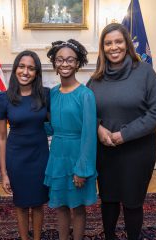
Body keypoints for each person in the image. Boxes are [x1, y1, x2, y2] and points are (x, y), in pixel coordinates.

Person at [87, 23, 156, 240]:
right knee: (109, 199)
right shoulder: (96, 78)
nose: (114, 47)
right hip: (106, 150)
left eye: (118, 41)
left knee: (132, 201)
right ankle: (110, 236)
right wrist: (98, 128)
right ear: (103, 48)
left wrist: (125, 134)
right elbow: (85, 110)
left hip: (138, 150)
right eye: (108, 43)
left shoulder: (144, 72)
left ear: (127, 44)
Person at [45, 39, 97, 240]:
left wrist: (82, 169)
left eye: (69, 60)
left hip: (77, 155)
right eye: (60, 60)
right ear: (54, 63)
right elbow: (54, 126)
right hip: (58, 155)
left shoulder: (86, 95)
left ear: (78, 63)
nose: (64, 64)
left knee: (78, 207)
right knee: (61, 205)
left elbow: (89, 134)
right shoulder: (53, 93)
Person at [0, 50, 49, 240]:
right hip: (16, 157)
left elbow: (58, 123)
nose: (25, 72)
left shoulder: (46, 95)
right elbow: (1, 137)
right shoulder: (3, 98)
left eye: (31, 68)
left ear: (37, 73)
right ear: (16, 68)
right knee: (21, 204)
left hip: (40, 156)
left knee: (38, 203)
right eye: (22, 66)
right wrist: (4, 172)